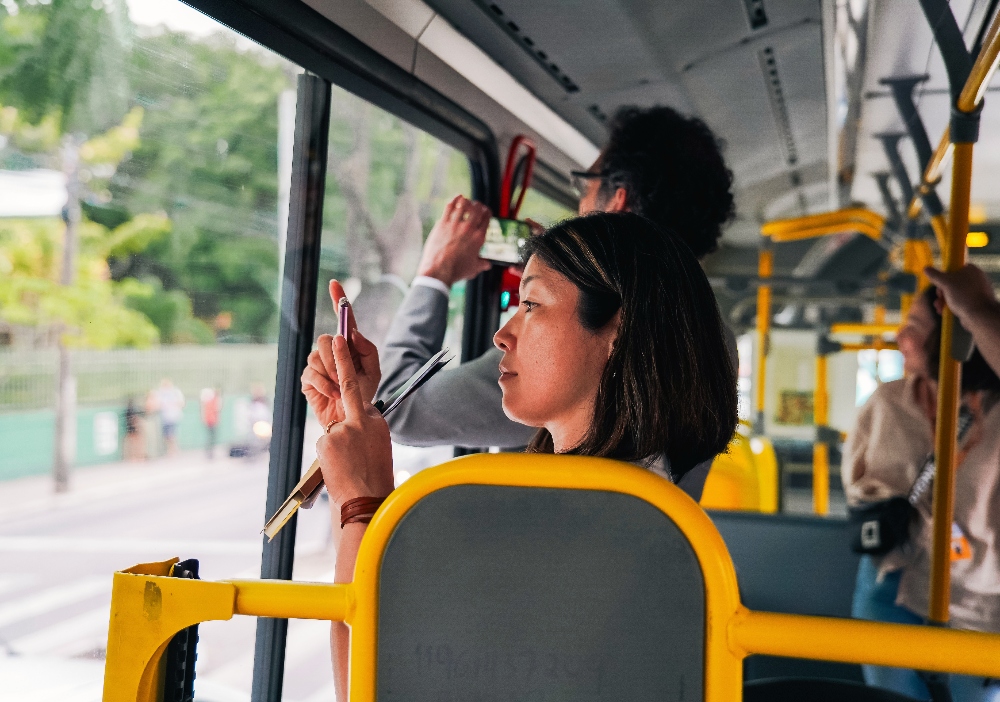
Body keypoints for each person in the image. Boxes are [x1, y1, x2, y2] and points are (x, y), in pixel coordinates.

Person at [301, 212, 739, 699]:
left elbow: (370, 682)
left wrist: (361, 504)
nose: (502, 335)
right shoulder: (633, 500)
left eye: (530, 304)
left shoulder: (586, 534)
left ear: (618, 330)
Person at [357, 105, 735, 495]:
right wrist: (554, 282)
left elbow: (398, 409)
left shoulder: (572, 363)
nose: (503, 336)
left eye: (585, 189)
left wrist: (434, 275)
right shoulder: (712, 337)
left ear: (618, 202)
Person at [842, 263, 1000, 702]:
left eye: (913, 326)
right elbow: (856, 484)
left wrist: (976, 308)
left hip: (979, 597)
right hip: (891, 580)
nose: (900, 338)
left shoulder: (995, 407)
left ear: (955, 336)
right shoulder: (888, 401)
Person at [152, 379, 185, 456]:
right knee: (166, 435)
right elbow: (157, 404)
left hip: (173, 416)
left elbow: (182, 403)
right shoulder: (160, 393)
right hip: (164, 417)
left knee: (171, 433)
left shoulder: (175, 392)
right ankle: (171, 449)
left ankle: (173, 449)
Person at [200, 387, 222, 460]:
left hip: (210, 420)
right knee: (211, 437)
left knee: (211, 437)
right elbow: (216, 411)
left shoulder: (210, 400)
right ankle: (209, 450)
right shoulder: (213, 400)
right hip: (211, 420)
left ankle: (209, 450)